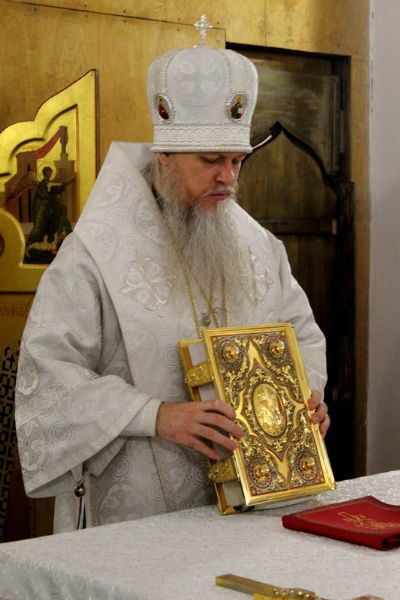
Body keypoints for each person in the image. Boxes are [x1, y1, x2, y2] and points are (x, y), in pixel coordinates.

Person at [15, 21, 330, 533]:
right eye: (211, 161)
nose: (228, 178)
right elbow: (47, 376)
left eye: (237, 161)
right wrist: (156, 415)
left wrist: (304, 395)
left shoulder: (258, 247)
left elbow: (302, 336)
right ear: (165, 155)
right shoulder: (93, 255)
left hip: (252, 504)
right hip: (137, 510)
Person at [25, 166, 73, 258]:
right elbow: (45, 195)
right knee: (38, 228)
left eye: (50, 173)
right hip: (40, 209)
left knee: (61, 221)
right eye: (48, 173)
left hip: (47, 210)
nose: (49, 175)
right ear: (44, 174)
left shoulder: (48, 184)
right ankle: (27, 246)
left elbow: (55, 189)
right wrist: (55, 198)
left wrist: (66, 184)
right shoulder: (41, 185)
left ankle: (59, 245)